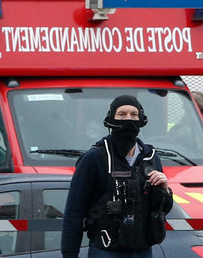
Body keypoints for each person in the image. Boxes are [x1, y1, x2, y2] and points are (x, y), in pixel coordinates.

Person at [61, 95, 173, 258]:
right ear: (111, 119)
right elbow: (74, 212)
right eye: (122, 114)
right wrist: (69, 254)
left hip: (143, 251)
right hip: (106, 251)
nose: (128, 119)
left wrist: (165, 191)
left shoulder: (151, 157)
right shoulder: (94, 158)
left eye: (134, 115)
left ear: (141, 119)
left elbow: (161, 210)